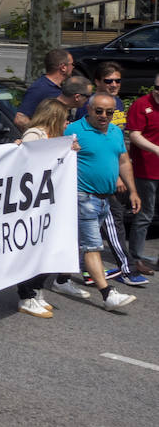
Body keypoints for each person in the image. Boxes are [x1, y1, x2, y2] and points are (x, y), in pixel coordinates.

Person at [66, 93, 140, 311]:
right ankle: (107, 294)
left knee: (78, 242)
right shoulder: (73, 131)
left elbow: (124, 161)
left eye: (109, 112)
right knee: (92, 246)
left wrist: (133, 191)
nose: (104, 116)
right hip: (82, 197)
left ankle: (60, 280)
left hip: (104, 198)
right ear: (88, 110)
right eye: (99, 111)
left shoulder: (116, 131)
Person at [15, 100, 84, 318]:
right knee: (33, 250)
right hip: (33, 204)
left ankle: (37, 289)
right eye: (65, 119)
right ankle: (26, 295)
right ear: (54, 118)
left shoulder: (56, 139)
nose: (68, 123)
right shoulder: (34, 134)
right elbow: (27, 164)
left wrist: (69, 150)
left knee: (49, 249)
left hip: (49, 203)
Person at [126, 69, 159, 274]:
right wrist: (155, 148)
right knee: (145, 214)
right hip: (147, 169)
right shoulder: (142, 105)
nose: (158, 92)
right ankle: (135, 257)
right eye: (157, 88)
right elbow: (134, 135)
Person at [14, 48, 74, 128]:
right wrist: (41, 135)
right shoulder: (39, 88)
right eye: (71, 64)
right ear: (63, 67)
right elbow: (20, 119)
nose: (73, 67)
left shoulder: (61, 87)